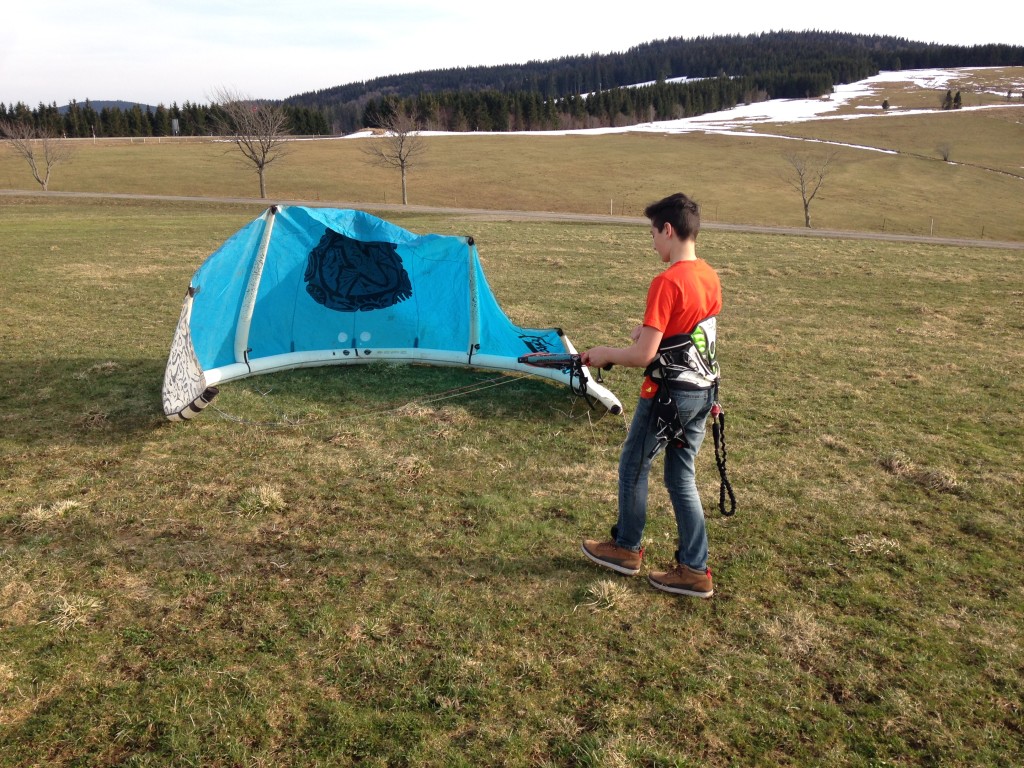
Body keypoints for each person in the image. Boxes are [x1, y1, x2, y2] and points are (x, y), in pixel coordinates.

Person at [580, 192, 722, 598]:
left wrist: (606, 354)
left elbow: (645, 356)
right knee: (681, 477)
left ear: (669, 230)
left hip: (667, 396)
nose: (653, 243)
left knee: (633, 466)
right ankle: (695, 569)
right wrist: (650, 334)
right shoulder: (709, 275)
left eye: (653, 234)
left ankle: (625, 549)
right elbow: (695, 333)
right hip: (701, 392)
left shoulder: (666, 282)